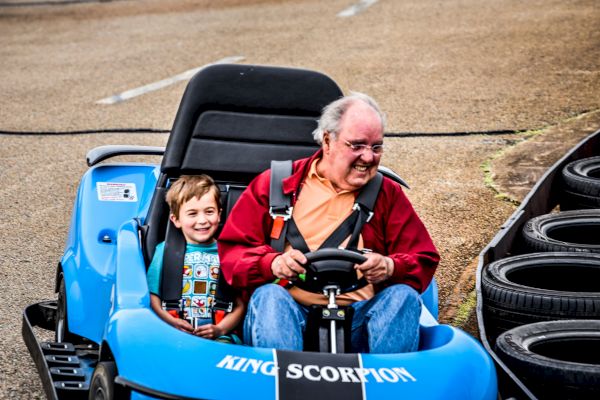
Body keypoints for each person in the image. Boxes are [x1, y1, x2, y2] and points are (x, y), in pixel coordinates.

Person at [218, 92, 439, 353]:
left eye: (376, 147)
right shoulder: (274, 184)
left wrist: (391, 266)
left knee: (404, 297)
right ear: (327, 141)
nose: (368, 157)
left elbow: (423, 258)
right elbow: (233, 254)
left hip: (360, 322)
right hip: (289, 316)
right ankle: (281, 384)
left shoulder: (387, 194)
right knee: (269, 296)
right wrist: (273, 263)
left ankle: (388, 384)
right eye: (357, 145)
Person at [147, 174, 244, 342]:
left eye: (209, 212)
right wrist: (171, 321)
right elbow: (152, 296)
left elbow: (240, 305)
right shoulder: (165, 251)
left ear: (219, 214)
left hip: (220, 336)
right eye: (192, 214)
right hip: (172, 331)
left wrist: (220, 329)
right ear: (176, 220)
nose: (202, 220)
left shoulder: (230, 253)